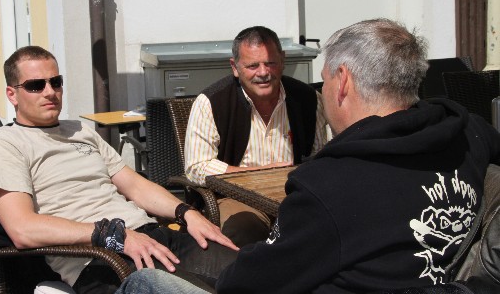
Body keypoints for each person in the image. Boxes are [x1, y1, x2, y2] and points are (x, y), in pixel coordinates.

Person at [213, 18, 500, 293]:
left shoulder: (328, 186)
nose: (324, 91)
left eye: (324, 81)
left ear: (343, 80)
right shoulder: (469, 132)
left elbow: (245, 284)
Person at [0, 46, 238, 294]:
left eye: (56, 82)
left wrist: (186, 212)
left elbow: (135, 186)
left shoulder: (79, 131)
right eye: (35, 85)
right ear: (12, 94)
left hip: (151, 235)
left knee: (249, 271)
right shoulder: (3, 144)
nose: (50, 92)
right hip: (100, 260)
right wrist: (110, 235)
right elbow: (23, 229)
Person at [185, 26, 328, 246]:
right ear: (235, 67)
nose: (263, 72)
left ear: (283, 60)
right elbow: (196, 168)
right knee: (243, 229)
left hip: (294, 195)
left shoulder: (308, 99)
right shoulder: (211, 102)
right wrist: (258, 173)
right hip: (237, 199)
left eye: (270, 63)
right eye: (252, 66)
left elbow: (320, 157)